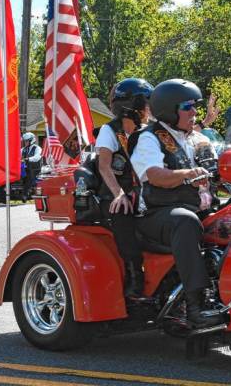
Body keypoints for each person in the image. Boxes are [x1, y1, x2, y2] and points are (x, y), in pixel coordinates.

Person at [130, 78, 223, 329]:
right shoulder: (149, 138)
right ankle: (196, 306)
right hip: (157, 214)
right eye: (187, 106)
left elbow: (220, 169)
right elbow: (155, 175)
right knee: (185, 220)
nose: (194, 112)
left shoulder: (195, 139)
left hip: (201, 208)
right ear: (169, 111)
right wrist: (189, 175)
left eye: (195, 106)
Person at [96, 78, 153, 299]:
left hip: (142, 190)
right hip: (113, 191)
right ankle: (134, 273)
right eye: (146, 104)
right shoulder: (109, 131)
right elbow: (104, 166)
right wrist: (118, 194)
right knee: (122, 210)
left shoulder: (148, 131)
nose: (150, 109)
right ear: (132, 107)